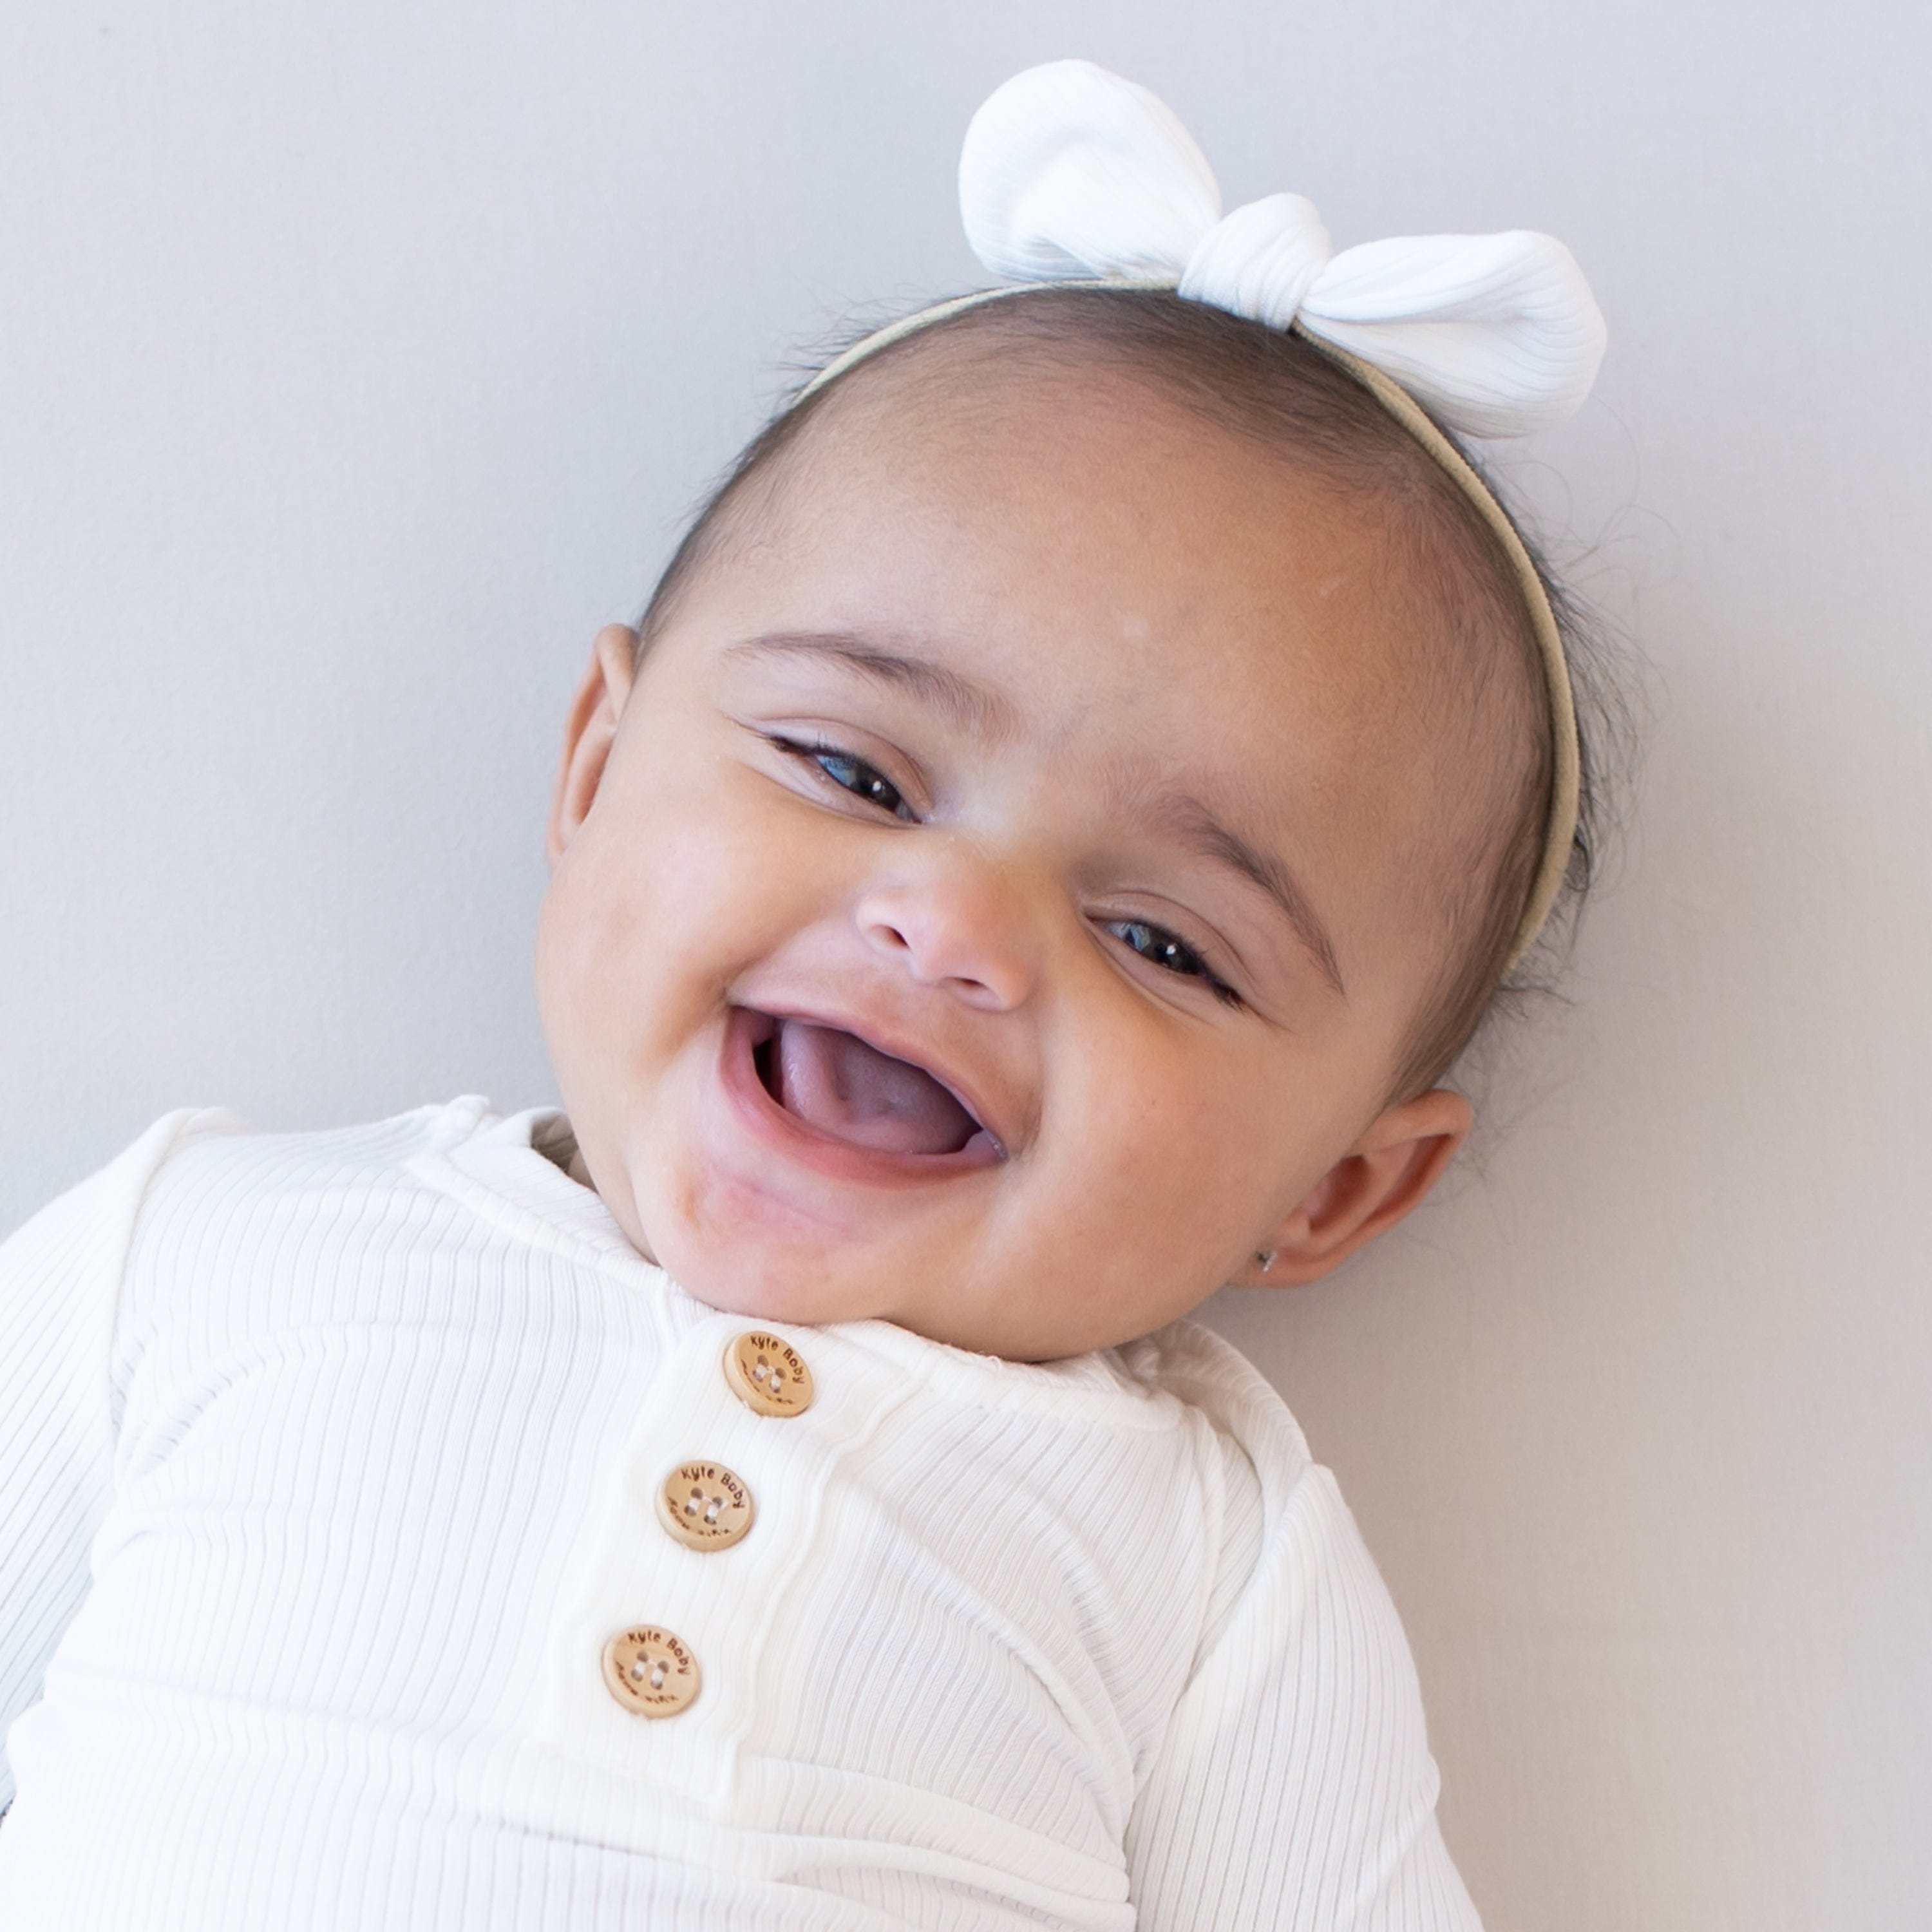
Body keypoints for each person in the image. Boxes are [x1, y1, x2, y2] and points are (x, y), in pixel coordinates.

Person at [0, 60, 1614, 1931]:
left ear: (1335, 1187)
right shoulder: (206, 1252)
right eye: (854, 771)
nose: (949, 923)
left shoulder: (1204, 1557)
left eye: (1167, 941)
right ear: (597, 770)